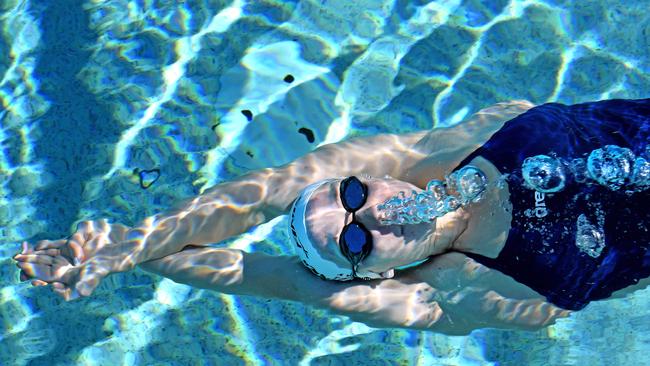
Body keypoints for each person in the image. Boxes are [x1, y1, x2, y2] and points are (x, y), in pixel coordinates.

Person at [13, 99, 650, 335]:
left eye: (348, 197)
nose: (371, 214)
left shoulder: (433, 152)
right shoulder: (449, 292)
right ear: (373, 277)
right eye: (353, 241)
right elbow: (266, 276)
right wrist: (130, 259)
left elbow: (265, 191)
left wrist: (127, 244)